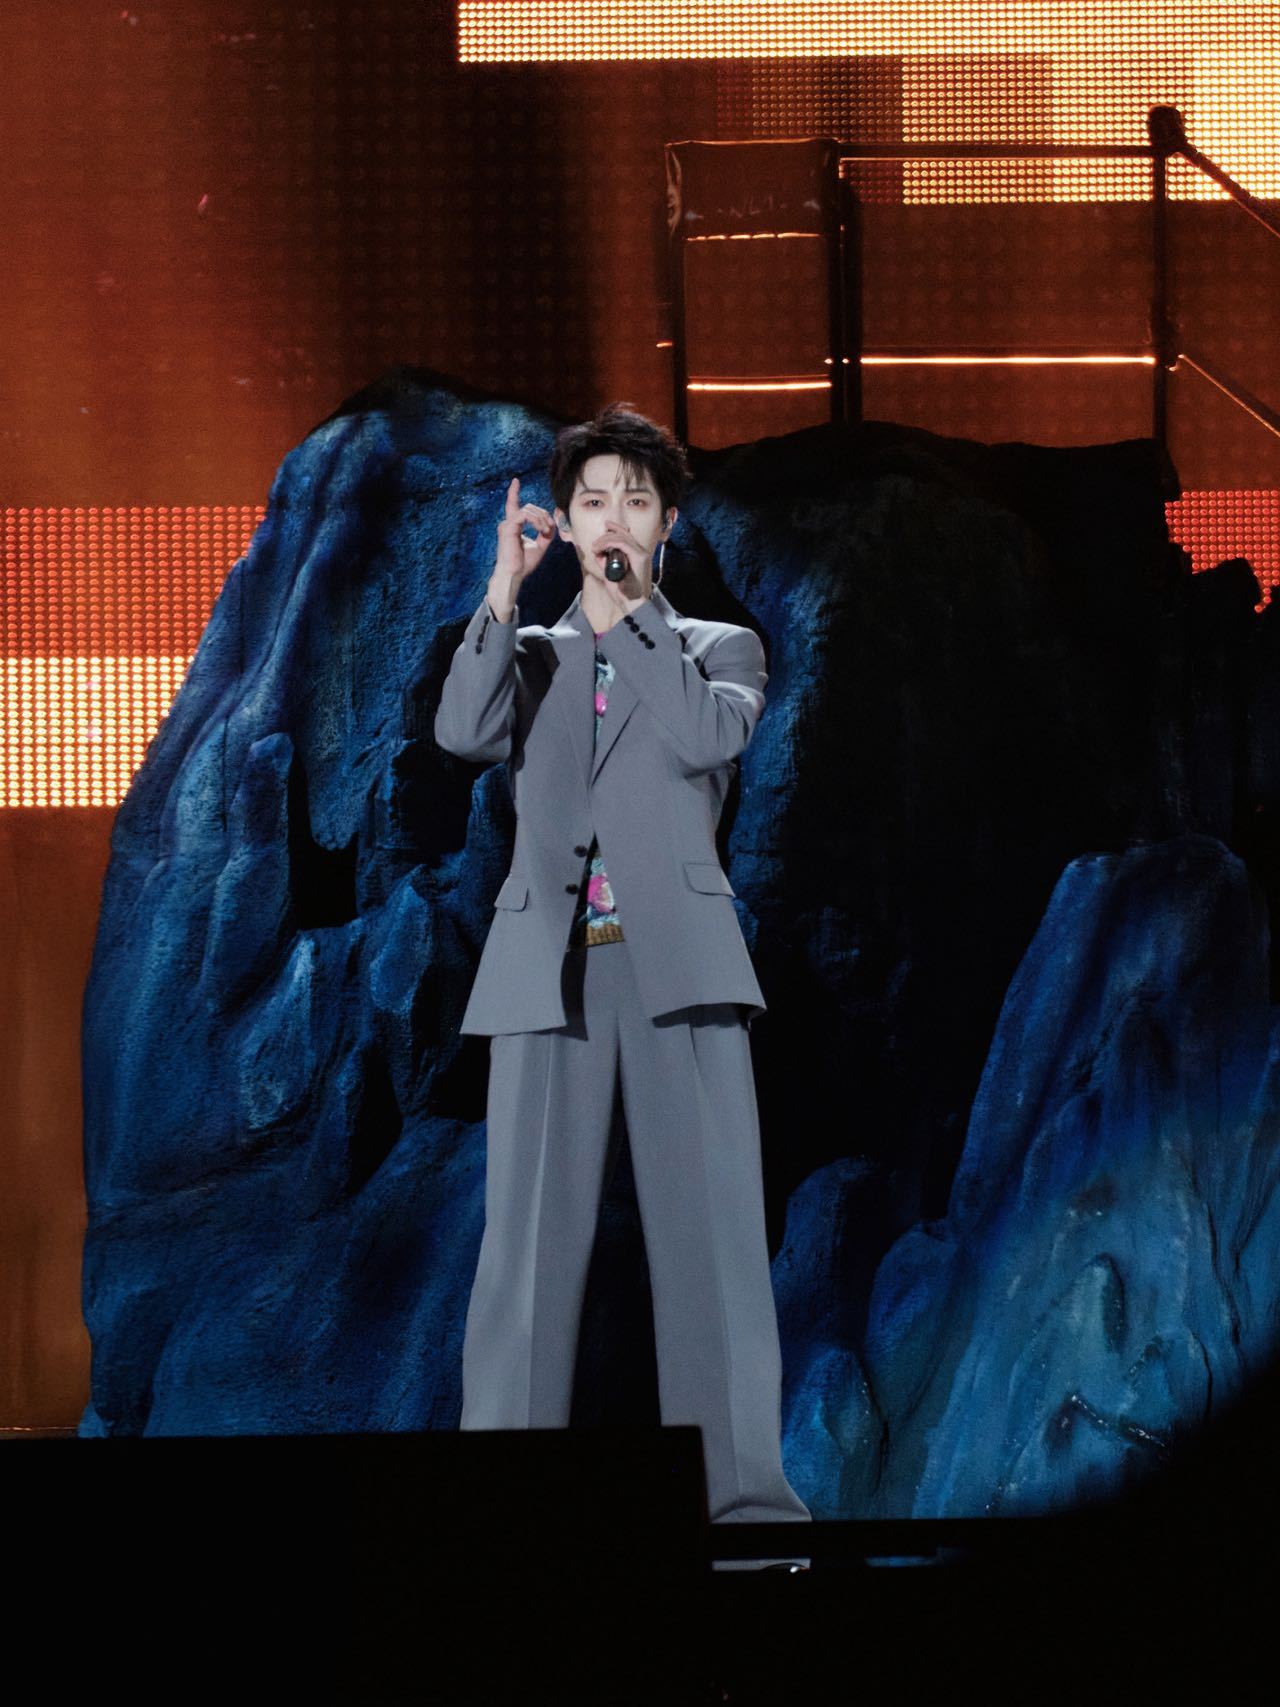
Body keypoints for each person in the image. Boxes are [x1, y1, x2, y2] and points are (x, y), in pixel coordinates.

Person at [434, 402, 811, 1554]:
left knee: (711, 1253)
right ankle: (499, 1524)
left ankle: (744, 1516)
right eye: (591, 499)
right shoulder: (527, 658)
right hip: (545, 977)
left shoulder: (717, 649)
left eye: (632, 501)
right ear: (563, 516)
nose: (611, 518)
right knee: (524, 1262)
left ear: (666, 523)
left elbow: (705, 741)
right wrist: (505, 594)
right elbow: (459, 733)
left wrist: (632, 614)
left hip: (678, 973)